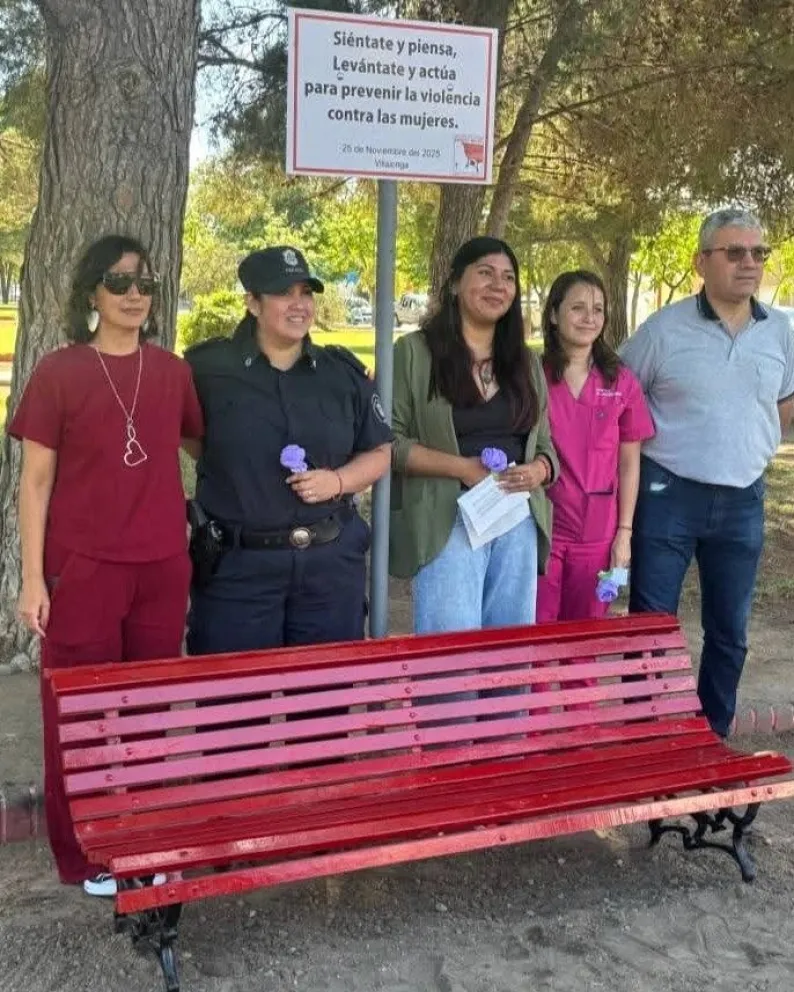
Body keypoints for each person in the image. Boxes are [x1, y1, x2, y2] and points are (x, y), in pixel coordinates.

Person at [9, 234, 204, 897]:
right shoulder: (59, 371)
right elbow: (34, 484)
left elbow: (196, 444)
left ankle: (142, 838)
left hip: (162, 567)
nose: (133, 295)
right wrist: (32, 579)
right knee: (80, 719)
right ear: (91, 291)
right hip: (83, 569)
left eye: (144, 283)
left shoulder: (173, 372)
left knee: (149, 714)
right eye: (118, 282)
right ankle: (86, 854)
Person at [621, 208, 794, 737]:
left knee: (729, 633)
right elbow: (621, 399)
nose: (750, 263)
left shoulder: (780, 331)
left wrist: (751, 441)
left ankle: (710, 736)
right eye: (734, 252)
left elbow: (784, 403)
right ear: (701, 261)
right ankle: (647, 738)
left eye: (758, 252)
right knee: (651, 626)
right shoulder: (662, 330)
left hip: (743, 499)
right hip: (667, 494)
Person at [184, 245, 392, 653]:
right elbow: (192, 440)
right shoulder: (207, 370)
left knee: (327, 689)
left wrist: (337, 481)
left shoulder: (341, 373)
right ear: (253, 303)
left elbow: (379, 451)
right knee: (235, 691)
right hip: (239, 572)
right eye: (283, 293)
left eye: (306, 293)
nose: (299, 305)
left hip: (329, 570)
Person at [389, 236, 559, 634]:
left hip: (516, 519)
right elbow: (389, 443)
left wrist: (539, 470)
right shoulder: (414, 353)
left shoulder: (525, 361)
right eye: (485, 273)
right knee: (451, 653)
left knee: (511, 652)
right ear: (454, 283)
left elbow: (546, 445)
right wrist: (463, 469)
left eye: (508, 277)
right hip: (447, 519)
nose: (498, 285)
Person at [537, 271, 654, 624]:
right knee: (535, 632)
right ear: (554, 314)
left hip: (598, 531)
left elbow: (629, 463)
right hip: (541, 527)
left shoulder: (621, 381)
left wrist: (624, 533)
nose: (589, 317)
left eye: (598, 309)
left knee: (585, 634)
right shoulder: (533, 376)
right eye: (578, 308)